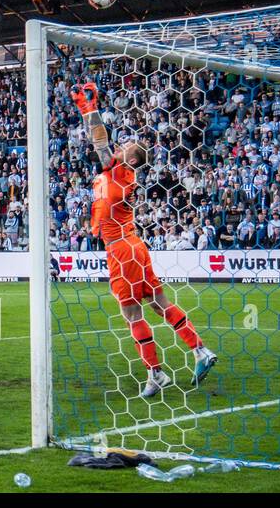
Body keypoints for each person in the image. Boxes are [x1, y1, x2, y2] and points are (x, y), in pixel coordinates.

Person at [72, 81, 217, 397]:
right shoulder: (120, 173)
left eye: (126, 148)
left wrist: (89, 109)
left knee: (132, 315)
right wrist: (87, 112)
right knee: (159, 304)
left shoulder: (120, 172)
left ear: (133, 160)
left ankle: (156, 373)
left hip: (122, 251)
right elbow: (98, 141)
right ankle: (199, 350)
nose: (119, 148)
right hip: (135, 246)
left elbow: (99, 141)